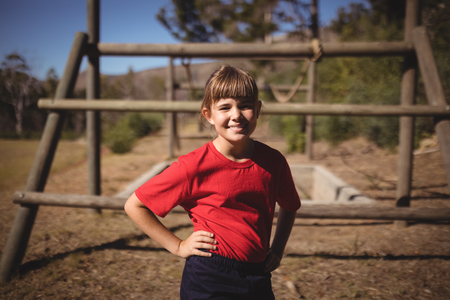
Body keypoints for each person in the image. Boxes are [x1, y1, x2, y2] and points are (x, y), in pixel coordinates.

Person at [124, 65, 301, 300]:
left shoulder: (273, 161)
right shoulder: (194, 166)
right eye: (225, 107)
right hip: (209, 277)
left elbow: (290, 205)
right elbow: (135, 205)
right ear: (208, 115)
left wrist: (277, 249)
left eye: (245, 105)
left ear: (257, 110)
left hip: (258, 276)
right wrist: (177, 246)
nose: (236, 115)